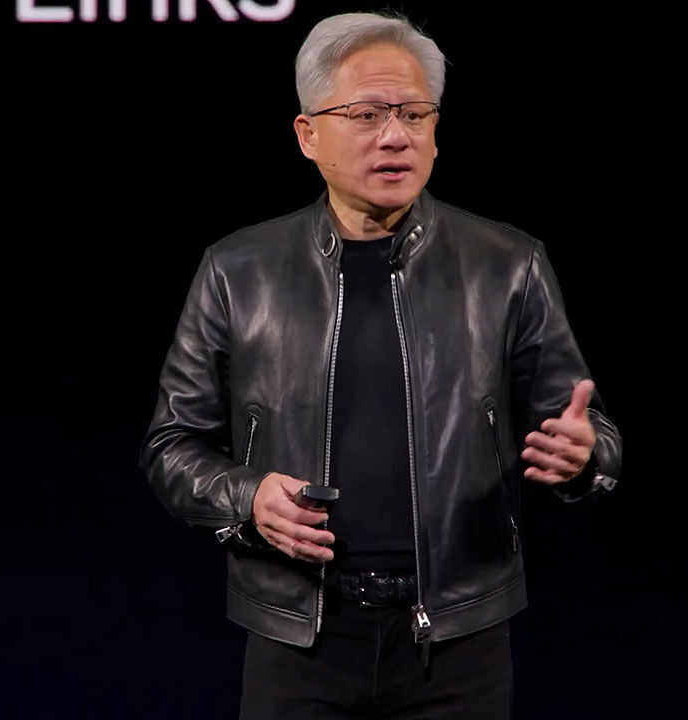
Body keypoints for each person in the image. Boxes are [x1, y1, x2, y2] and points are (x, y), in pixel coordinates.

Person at [139, 10, 622, 719]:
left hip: (457, 639)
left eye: (413, 114)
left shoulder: (507, 265)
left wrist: (583, 457)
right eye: (366, 115)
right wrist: (248, 497)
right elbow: (170, 444)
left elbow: (590, 432)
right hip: (299, 637)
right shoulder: (238, 270)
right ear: (308, 134)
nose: (395, 136)